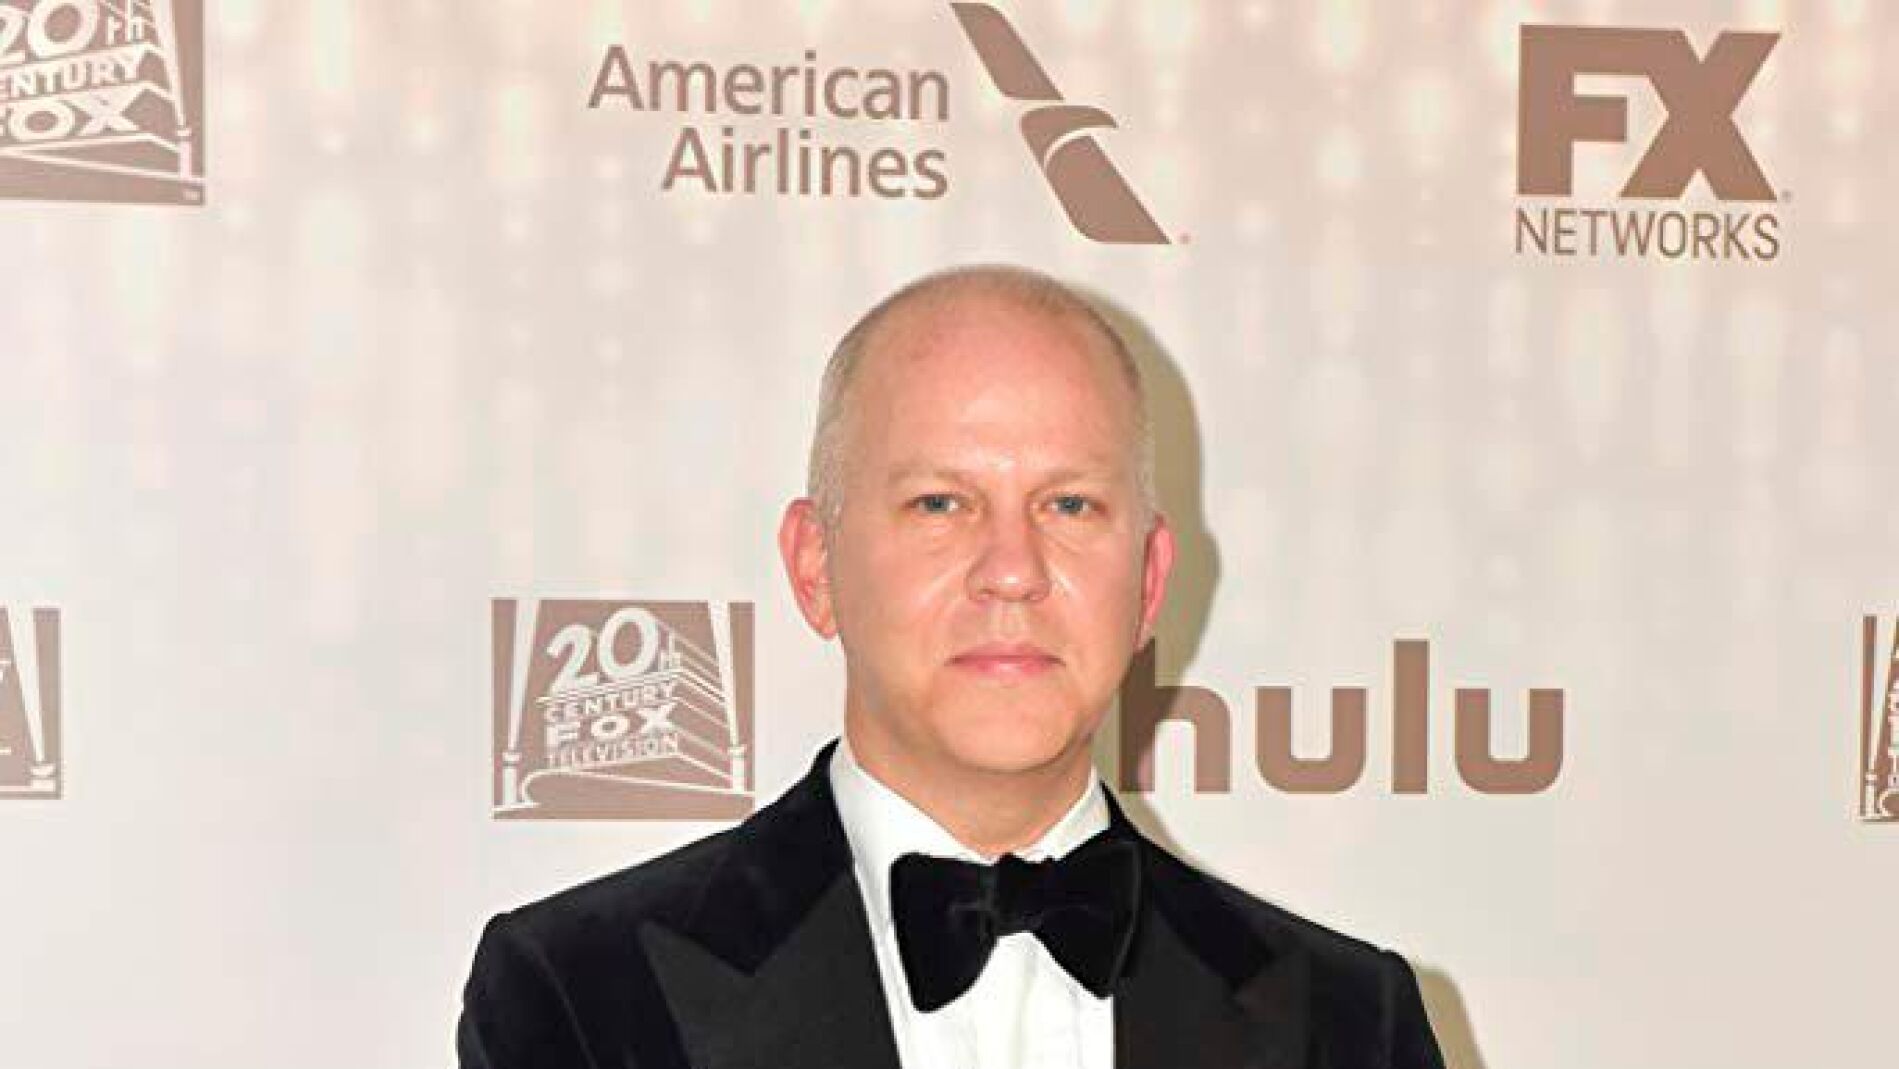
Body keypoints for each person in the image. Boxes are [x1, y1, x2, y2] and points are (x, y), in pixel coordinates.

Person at [456, 265, 1447, 1069]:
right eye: (940, 503)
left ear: (1148, 582)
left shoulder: (1348, 1024)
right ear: (815, 567)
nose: (1012, 569)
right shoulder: (583, 995)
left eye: (1069, 505)